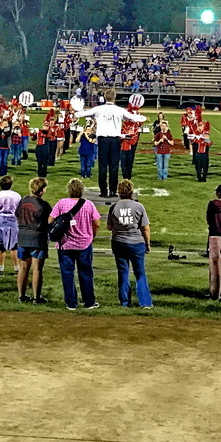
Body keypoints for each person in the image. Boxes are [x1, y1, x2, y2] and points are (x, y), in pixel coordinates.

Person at [74, 88, 146, 197]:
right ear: (114, 98)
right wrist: (142, 117)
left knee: (102, 166)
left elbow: (84, 113)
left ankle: (103, 191)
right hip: (115, 140)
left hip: (102, 140)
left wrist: (76, 113)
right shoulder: (119, 110)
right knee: (114, 166)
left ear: (104, 97)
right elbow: (132, 118)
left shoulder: (98, 109)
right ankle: (112, 191)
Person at [49, 177, 101, 310]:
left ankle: (71, 302)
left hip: (65, 244)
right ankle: (89, 301)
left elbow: (50, 220)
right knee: (86, 272)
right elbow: (97, 223)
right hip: (84, 243)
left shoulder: (61, 203)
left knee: (67, 273)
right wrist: (92, 235)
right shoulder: (88, 204)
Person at [107, 179, 153, 308]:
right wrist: (147, 243)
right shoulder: (138, 206)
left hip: (119, 242)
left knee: (123, 272)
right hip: (136, 242)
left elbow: (109, 226)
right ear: (131, 191)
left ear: (118, 192)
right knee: (140, 272)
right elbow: (145, 228)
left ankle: (125, 302)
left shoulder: (114, 207)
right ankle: (145, 302)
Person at [16, 177, 52, 303]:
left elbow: (17, 215)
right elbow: (50, 221)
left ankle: (21, 296)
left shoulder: (23, 201)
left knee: (23, 268)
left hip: (23, 236)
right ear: (41, 191)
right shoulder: (44, 205)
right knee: (37, 269)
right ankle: (36, 297)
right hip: (38, 237)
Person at [0, 175, 21, 276]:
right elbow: (20, 211)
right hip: (12, 220)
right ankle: (17, 269)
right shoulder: (17, 196)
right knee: (13, 247)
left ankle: (0, 269)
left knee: (0, 247)